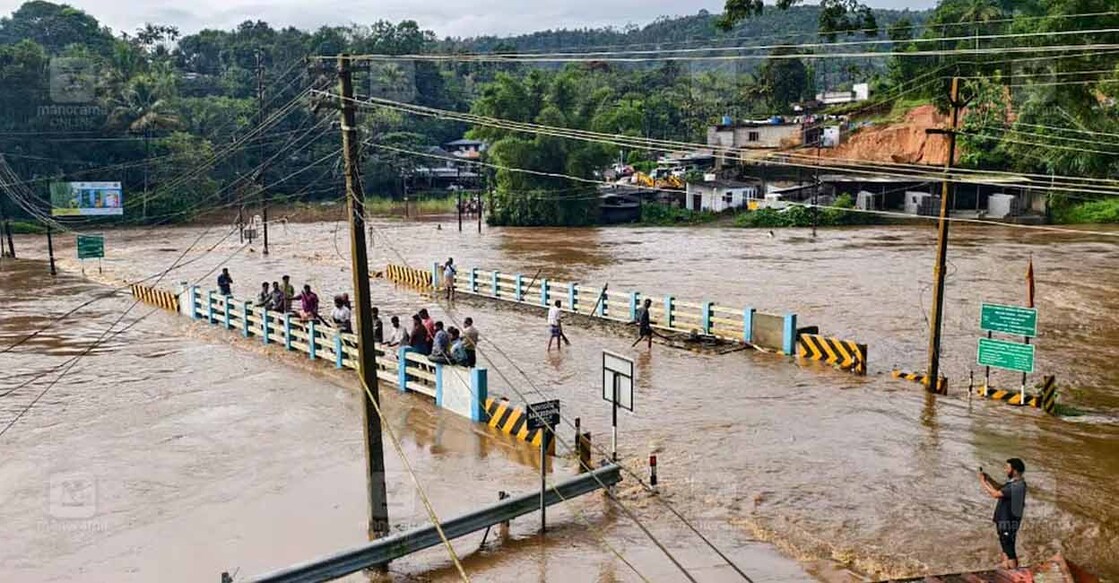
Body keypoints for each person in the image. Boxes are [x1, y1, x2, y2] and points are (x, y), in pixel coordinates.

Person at [979, 458, 1028, 569]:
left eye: (1007, 468)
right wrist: (989, 479)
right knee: (1006, 547)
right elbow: (1001, 488)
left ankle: (1015, 573)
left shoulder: (1017, 486)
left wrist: (982, 483)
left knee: (1009, 550)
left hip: (1007, 522)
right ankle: (1006, 567)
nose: (1005, 470)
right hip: (1005, 521)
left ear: (1014, 471)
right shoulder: (1016, 483)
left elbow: (996, 494)